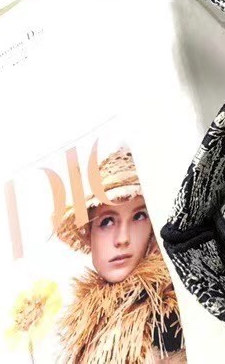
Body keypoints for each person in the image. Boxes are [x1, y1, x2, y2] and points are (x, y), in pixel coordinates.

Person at [55, 148, 187, 364]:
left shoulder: (167, 312)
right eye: (107, 221)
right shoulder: (86, 322)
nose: (122, 238)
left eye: (139, 216)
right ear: (89, 234)